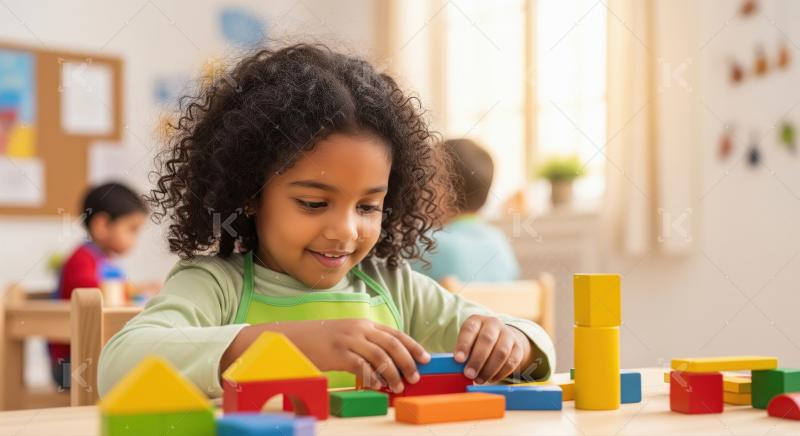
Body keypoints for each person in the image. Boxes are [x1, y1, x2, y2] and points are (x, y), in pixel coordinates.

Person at [98, 44, 555, 398]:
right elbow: (118, 365)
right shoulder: (218, 286)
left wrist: (513, 340)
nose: (346, 230)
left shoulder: (394, 287)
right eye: (314, 204)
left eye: (368, 207)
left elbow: (539, 350)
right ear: (251, 195)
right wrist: (289, 343)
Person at [49, 181, 147, 389]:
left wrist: (139, 291)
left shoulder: (104, 263)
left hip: (96, 357)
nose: (134, 240)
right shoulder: (81, 260)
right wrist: (133, 291)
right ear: (102, 225)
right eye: (132, 229)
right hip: (71, 366)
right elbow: (96, 294)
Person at [412, 138, 520, 284]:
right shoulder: (501, 244)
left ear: (445, 188)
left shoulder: (426, 244)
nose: (419, 188)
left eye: (428, 177)